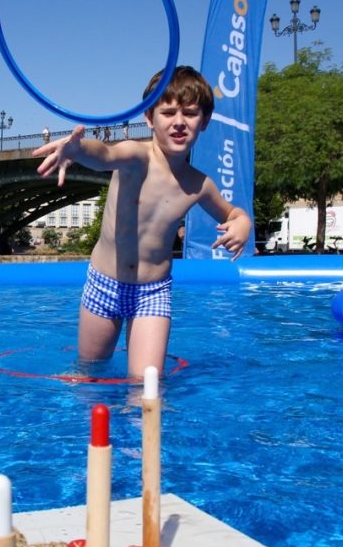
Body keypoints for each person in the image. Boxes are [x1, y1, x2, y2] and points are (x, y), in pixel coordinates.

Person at [33, 65, 251, 380]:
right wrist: (78, 149)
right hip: (104, 284)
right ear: (149, 118)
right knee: (88, 376)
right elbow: (105, 154)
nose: (179, 122)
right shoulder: (137, 158)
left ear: (203, 121)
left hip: (152, 292)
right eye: (168, 112)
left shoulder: (198, 184)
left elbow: (233, 214)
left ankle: (141, 426)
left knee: (146, 385)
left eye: (190, 113)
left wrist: (241, 223)